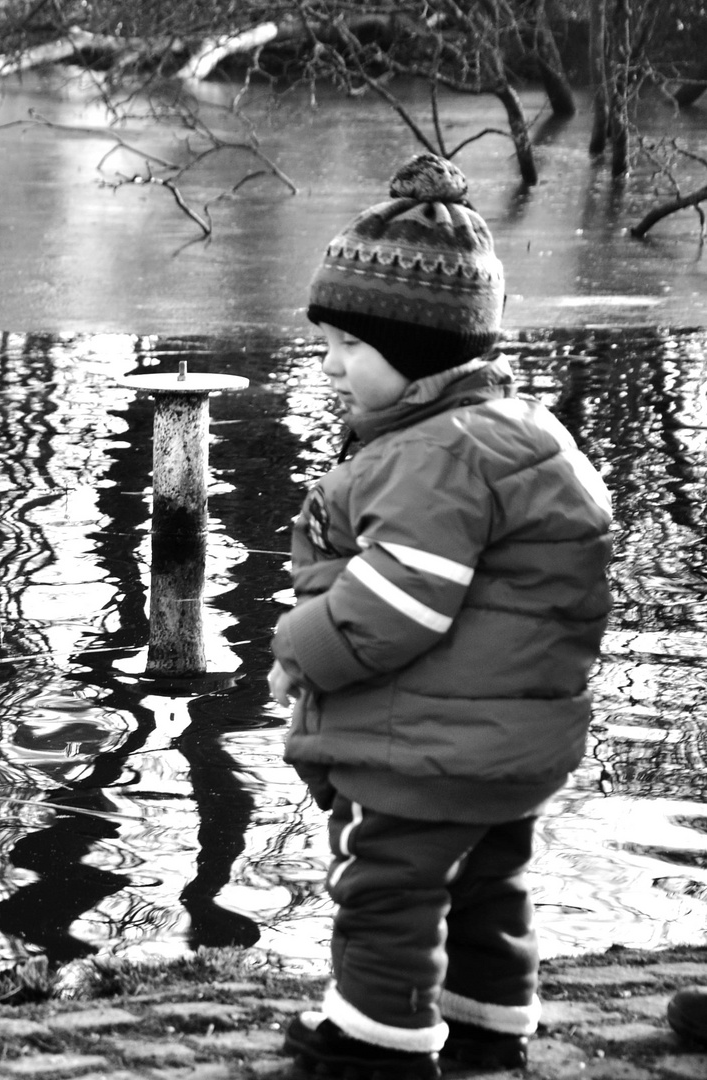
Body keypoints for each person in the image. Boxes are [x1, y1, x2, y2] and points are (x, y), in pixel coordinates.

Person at [268, 153, 613, 1080]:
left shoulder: (432, 458)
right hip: (510, 742)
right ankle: (487, 1027)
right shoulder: (521, 434)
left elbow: (394, 604)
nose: (330, 365)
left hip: (425, 744)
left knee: (386, 887)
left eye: (349, 345)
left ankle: (374, 1043)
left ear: (418, 349)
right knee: (488, 883)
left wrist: (298, 650)